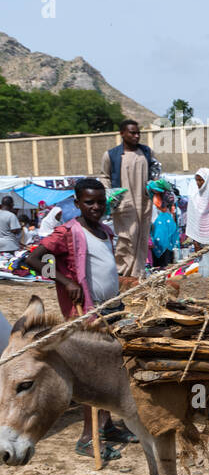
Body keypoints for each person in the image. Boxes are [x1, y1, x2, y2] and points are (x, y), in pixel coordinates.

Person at [20, 178, 136, 458]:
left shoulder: (105, 231)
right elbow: (32, 259)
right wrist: (64, 281)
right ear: (77, 203)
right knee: (93, 373)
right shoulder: (68, 232)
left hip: (112, 308)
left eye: (100, 202)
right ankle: (87, 437)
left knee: (111, 368)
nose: (96, 207)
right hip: (86, 312)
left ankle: (106, 427)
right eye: (89, 202)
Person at [100, 118, 155, 281]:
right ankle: (121, 271)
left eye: (138, 133)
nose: (136, 136)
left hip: (144, 202)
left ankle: (138, 273)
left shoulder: (147, 152)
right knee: (126, 237)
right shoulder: (111, 155)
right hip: (123, 202)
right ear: (122, 133)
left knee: (142, 237)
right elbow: (104, 176)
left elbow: (155, 172)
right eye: (132, 133)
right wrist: (110, 194)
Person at [148, 179, 180, 268]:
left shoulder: (154, 205)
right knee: (164, 263)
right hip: (163, 239)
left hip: (160, 239)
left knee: (161, 264)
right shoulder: (165, 206)